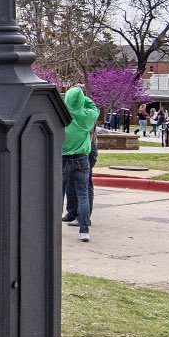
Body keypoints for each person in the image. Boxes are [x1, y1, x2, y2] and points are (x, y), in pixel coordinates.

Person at [61, 83, 99, 240]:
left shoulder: (61, 116)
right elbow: (94, 108)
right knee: (83, 194)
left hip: (63, 158)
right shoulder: (87, 117)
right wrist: (83, 98)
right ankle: (84, 230)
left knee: (59, 194)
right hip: (82, 158)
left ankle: (53, 230)